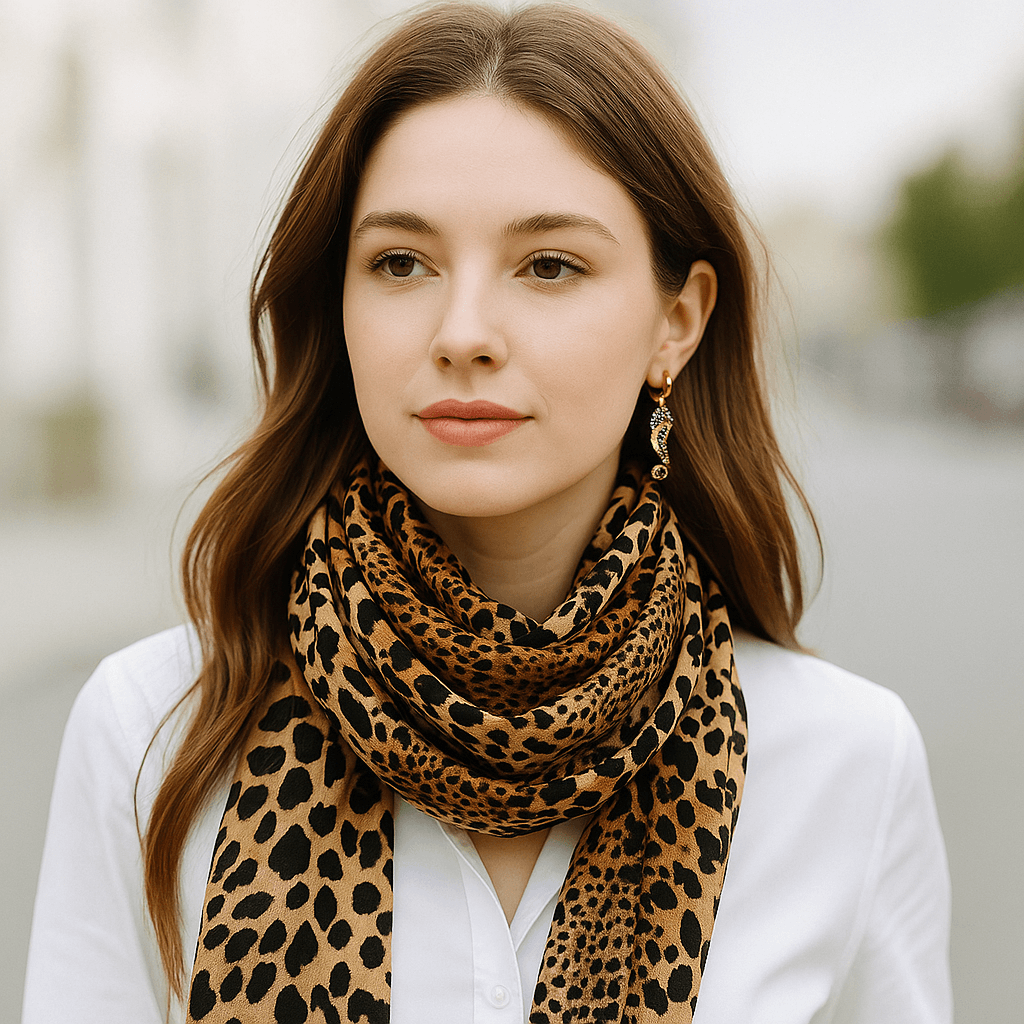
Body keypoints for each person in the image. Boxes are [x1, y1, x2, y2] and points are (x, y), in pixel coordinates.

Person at [22, 3, 952, 1023]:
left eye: (549, 265)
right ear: (338, 305)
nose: (462, 332)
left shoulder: (844, 762)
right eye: (400, 263)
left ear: (676, 322)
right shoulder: (155, 732)